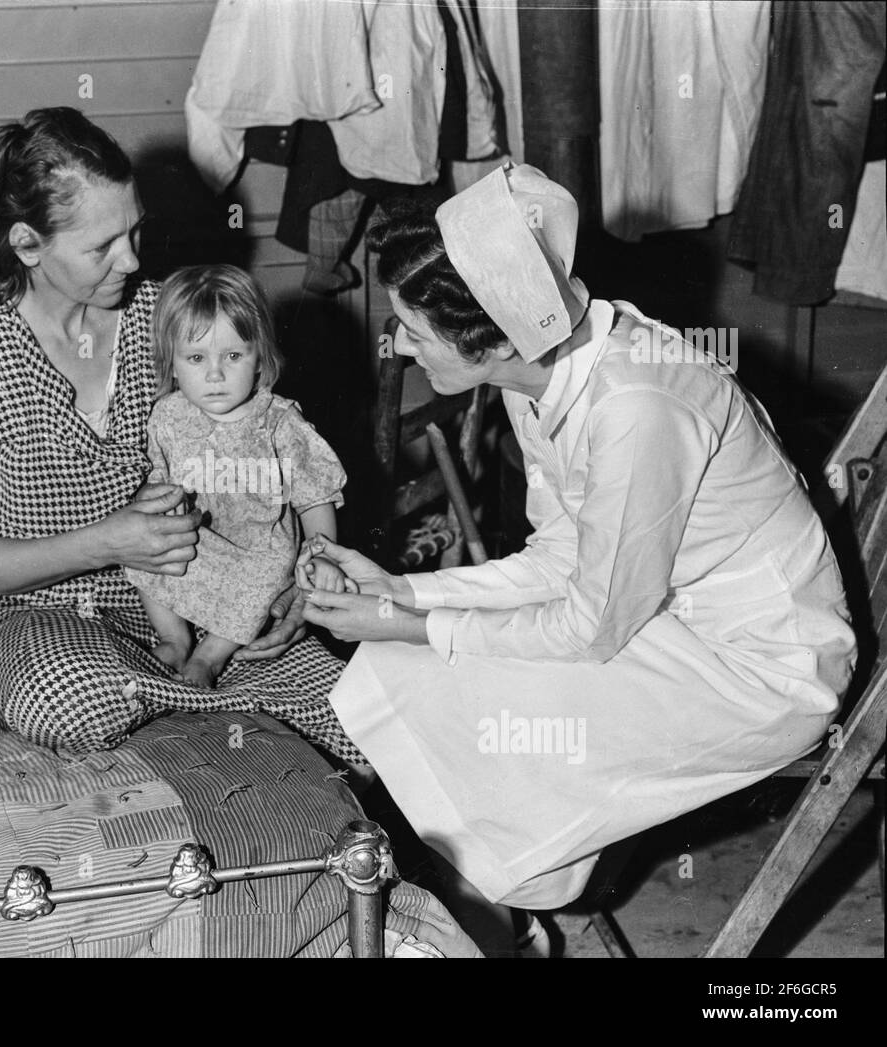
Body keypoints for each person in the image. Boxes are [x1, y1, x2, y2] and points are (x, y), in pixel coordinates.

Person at [299, 161, 857, 911]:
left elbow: (592, 623)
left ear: (494, 342)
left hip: (757, 669)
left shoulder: (634, 407)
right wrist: (403, 590)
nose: (399, 345)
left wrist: (415, 622)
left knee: (471, 694)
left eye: (418, 332)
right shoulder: (549, 366)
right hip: (665, 620)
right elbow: (565, 556)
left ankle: (481, 909)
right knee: (412, 664)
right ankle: (483, 903)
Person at [0, 108, 362, 762]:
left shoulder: (163, 315)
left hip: (190, 596)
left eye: (135, 231)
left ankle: (196, 700)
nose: (131, 258)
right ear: (27, 244)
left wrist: (300, 574)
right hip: (33, 612)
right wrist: (107, 540)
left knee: (354, 716)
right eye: (102, 247)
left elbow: (274, 444)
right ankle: (213, 717)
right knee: (67, 699)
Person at [125, 264, 348, 688]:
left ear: (259, 356)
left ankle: (210, 656)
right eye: (196, 358)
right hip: (198, 542)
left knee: (269, 572)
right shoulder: (167, 416)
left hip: (258, 552)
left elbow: (314, 495)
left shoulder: (279, 422)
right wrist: (151, 511)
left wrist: (322, 554)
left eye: (232, 356)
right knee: (144, 555)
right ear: (171, 365)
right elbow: (156, 481)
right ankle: (173, 639)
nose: (215, 374)